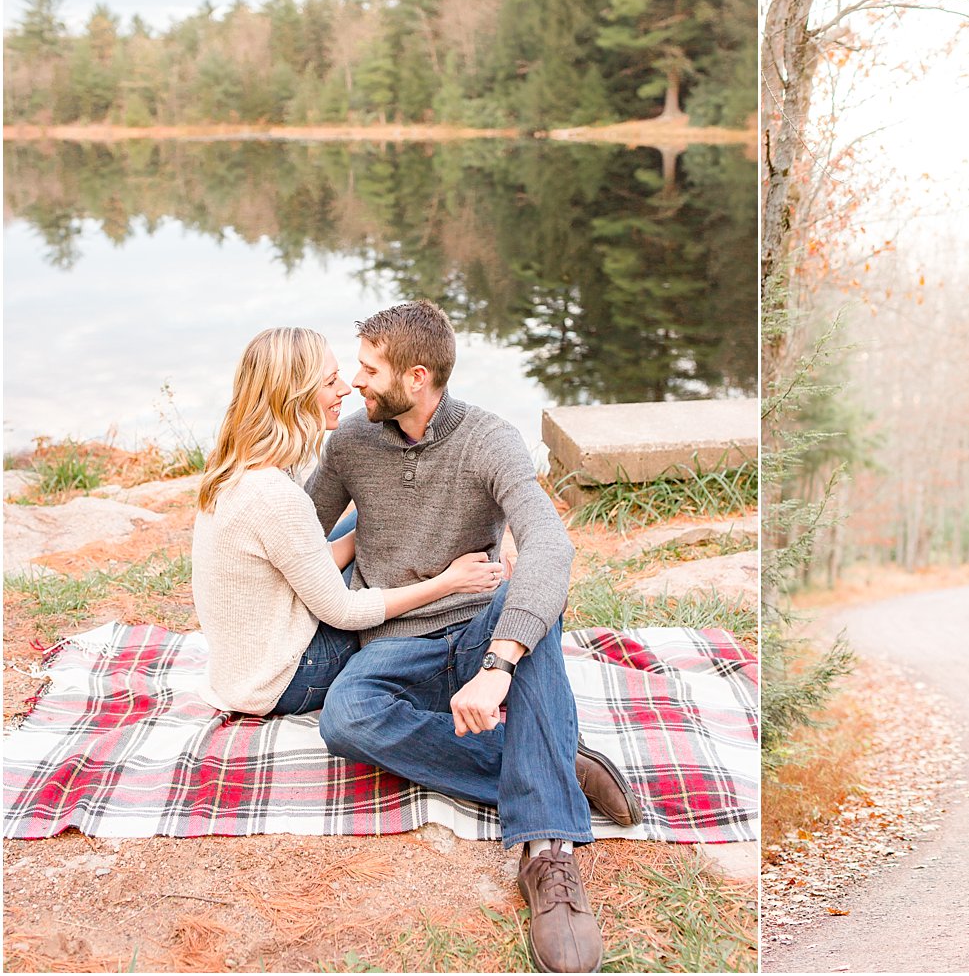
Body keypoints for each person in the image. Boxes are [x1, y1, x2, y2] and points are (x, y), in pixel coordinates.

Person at [305, 300, 637, 975]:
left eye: (369, 368)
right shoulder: (349, 443)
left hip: (479, 625)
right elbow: (301, 534)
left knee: (533, 591)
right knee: (344, 716)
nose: (356, 382)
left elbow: (549, 541)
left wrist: (499, 662)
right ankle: (546, 763)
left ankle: (548, 854)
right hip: (394, 638)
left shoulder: (490, 438)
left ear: (417, 376)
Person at [192, 327, 504, 717]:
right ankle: (455, 609)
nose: (346, 388)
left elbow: (303, 555)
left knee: (369, 517)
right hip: (288, 677)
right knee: (380, 534)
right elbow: (344, 612)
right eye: (329, 381)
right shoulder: (274, 496)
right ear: (294, 396)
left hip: (241, 667)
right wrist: (447, 583)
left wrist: (373, 532)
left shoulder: (239, 465)